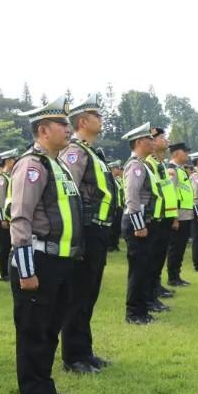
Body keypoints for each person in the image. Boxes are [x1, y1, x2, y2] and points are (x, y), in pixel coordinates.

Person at [8, 95, 81, 394]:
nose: (67, 129)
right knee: (34, 332)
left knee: (50, 329)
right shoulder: (32, 165)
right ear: (42, 129)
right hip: (37, 261)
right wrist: (26, 270)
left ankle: (46, 387)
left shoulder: (57, 164)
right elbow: (20, 217)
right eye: (61, 124)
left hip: (59, 262)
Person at [59, 93, 116, 375]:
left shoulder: (92, 151)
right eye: (97, 116)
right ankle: (73, 355)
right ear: (83, 121)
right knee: (78, 296)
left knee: (88, 295)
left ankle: (85, 351)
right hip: (86, 231)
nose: (101, 120)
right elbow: (70, 195)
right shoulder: (75, 152)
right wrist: (77, 238)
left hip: (99, 232)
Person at [120, 123, 160, 325]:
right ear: (138, 142)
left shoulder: (143, 164)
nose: (153, 143)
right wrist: (138, 225)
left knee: (144, 268)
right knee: (138, 269)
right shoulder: (135, 165)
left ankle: (142, 310)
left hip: (144, 221)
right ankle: (134, 313)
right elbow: (132, 196)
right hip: (137, 222)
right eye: (149, 139)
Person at [144, 128, 176, 311]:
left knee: (158, 259)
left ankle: (155, 290)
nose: (166, 140)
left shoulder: (160, 164)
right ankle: (150, 297)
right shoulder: (148, 164)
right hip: (154, 218)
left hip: (164, 217)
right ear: (152, 142)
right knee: (151, 260)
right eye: (161, 137)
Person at [165, 142, 193, 287]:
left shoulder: (181, 170)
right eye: (185, 152)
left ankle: (177, 275)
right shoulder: (172, 171)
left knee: (181, 247)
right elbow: (171, 194)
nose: (187, 155)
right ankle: (172, 277)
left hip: (186, 214)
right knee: (175, 248)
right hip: (179, 216)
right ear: (176, 153)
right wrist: (174, 218)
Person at [0, 149, 18, 282]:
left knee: (8, 245)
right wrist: (3, 218)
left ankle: (7, 271)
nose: (15, 161)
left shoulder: (9, 176)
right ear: (7, 161)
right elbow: (0, 200)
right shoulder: (2, 178)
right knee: (4, 247)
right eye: (13, 159)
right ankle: (4, 273)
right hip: (2, 218)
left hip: (9, 217)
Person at [108, 160, 125, 252]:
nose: (119, 170)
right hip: (113, 206)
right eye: (117, 168)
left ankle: (115, 244)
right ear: (113, 169)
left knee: (117, 227)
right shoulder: (109, 180)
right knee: (112, 227)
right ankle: (110, 245)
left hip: (119, 206)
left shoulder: (118, 180)